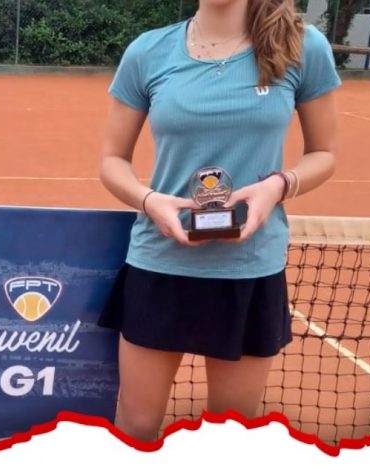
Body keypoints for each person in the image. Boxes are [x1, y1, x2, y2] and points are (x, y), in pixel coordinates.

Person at [98, 0, 339, 441]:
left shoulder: (302, 46)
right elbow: (113, 160)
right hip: (159, 264)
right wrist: (150, 201)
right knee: (136, 427)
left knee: (229, 435)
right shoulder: (148, 51)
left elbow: (323, 153)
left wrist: (279, 185)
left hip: (249, 269)